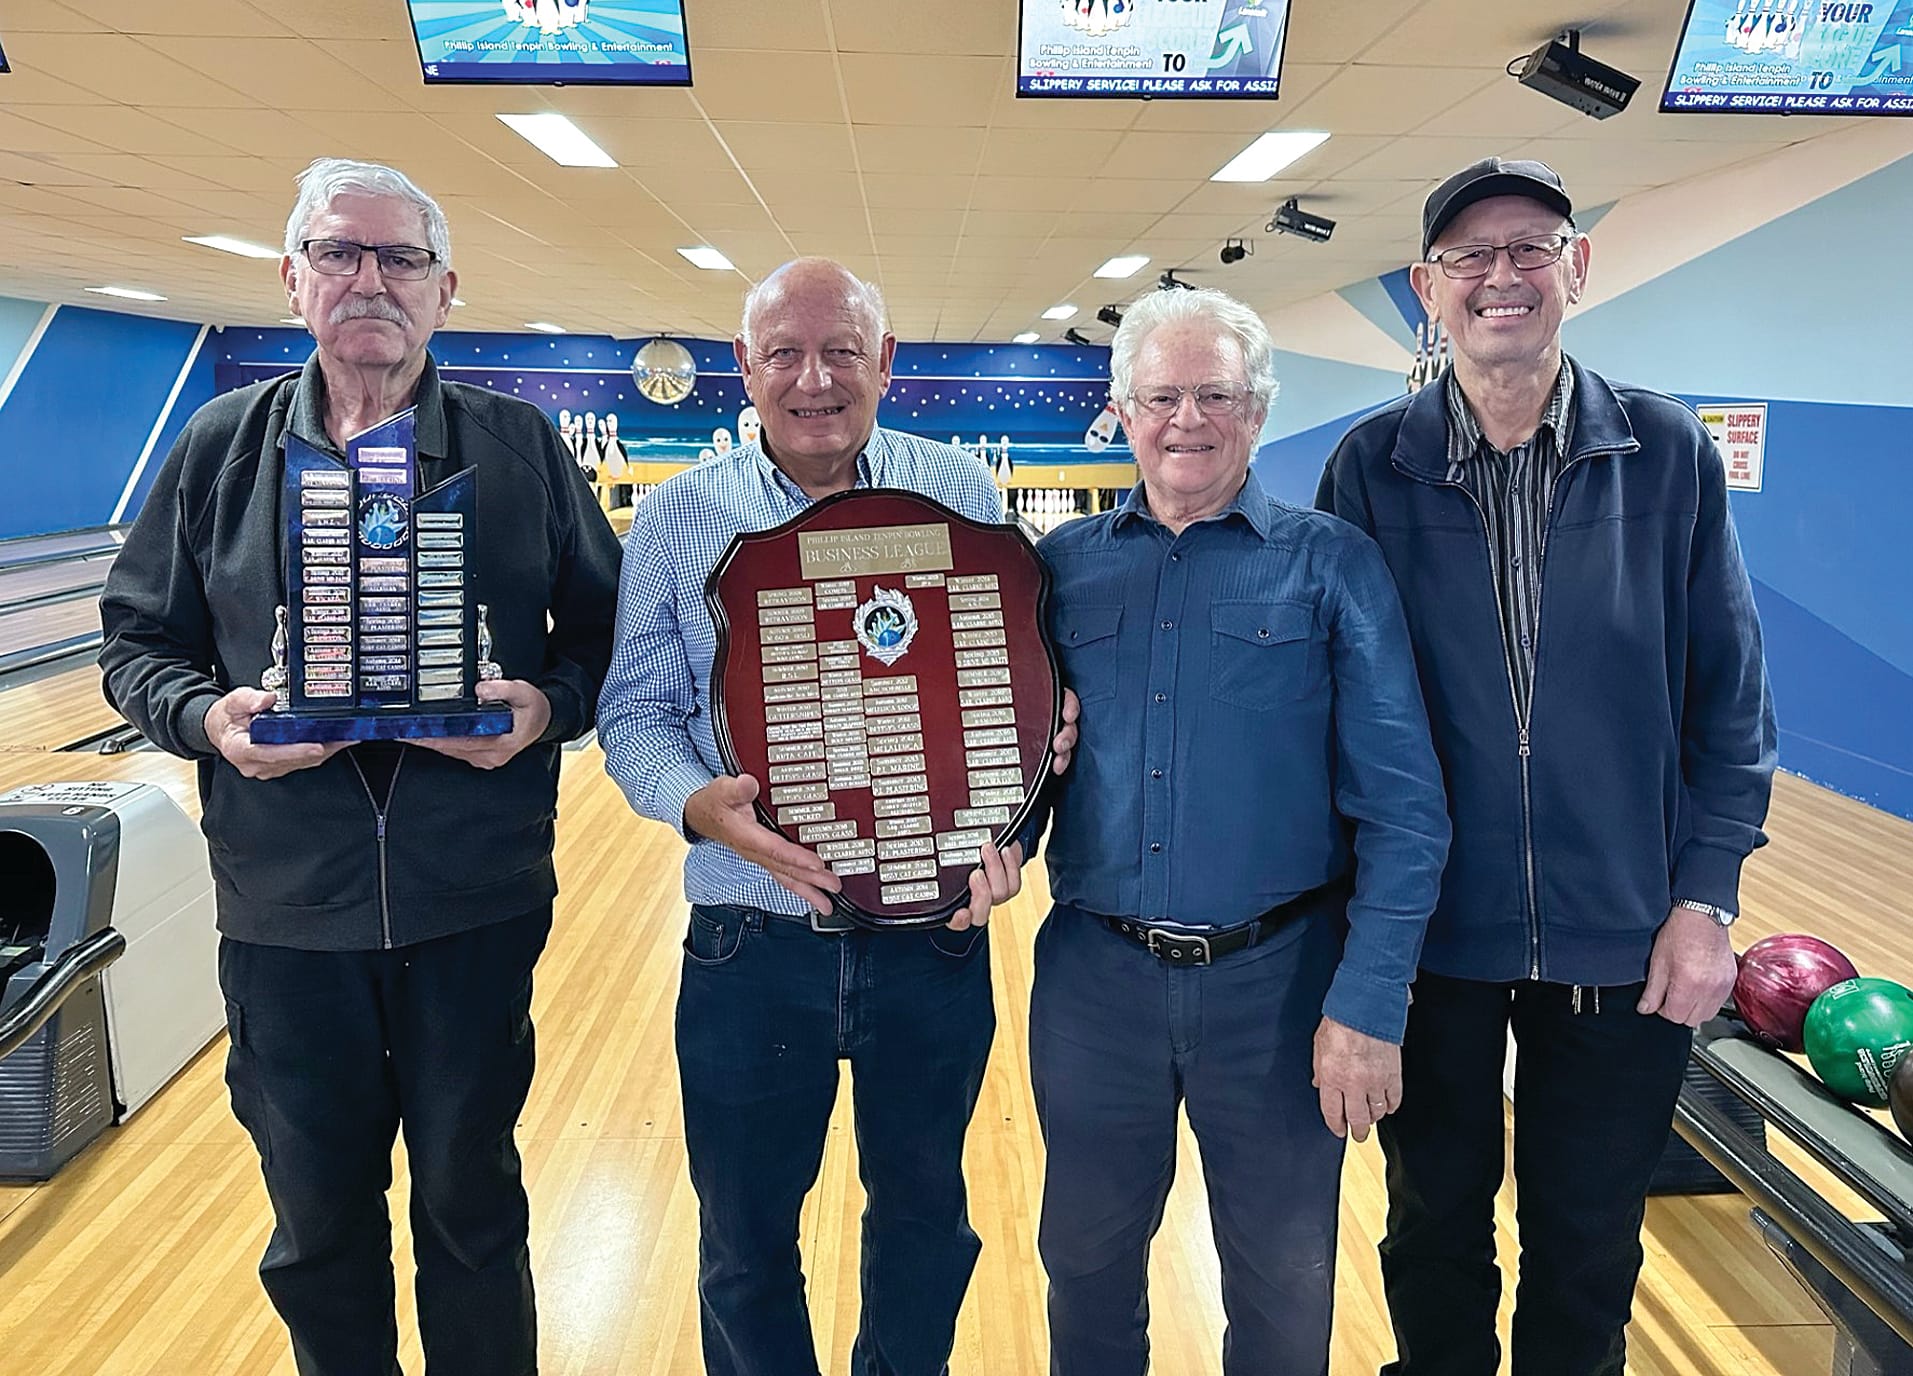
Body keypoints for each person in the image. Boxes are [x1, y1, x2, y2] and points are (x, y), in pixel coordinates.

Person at [98, 157, 622, 1376]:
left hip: (472, 902)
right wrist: (207, 718)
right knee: (317, 1223)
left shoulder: (518, 446)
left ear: (445, 288)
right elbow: (135, 644)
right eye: (338, 252)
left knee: (471, 1204)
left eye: (400, 257)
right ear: (294, 279)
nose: (369, 279)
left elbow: (608, 638)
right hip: (286, 913)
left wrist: (543, 707)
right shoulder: (221, 448)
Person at [1316, 157, 1776, 1376]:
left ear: (1575, 266)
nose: (1500, 276)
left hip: (1622, 932)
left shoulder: (1664, 451)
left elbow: (1729, 700)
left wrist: (1704, 898)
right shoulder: (1370, 466)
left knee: (1586, 1241)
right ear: (1427, 287)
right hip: (1432, 932)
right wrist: (1357, 942)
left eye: (1529, 247)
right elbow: (1333, 714)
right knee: (1431, 1224)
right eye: (1468, 256)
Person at [597, 256, 1079, 1376]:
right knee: (743, 1242)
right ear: (744, 365)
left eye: (841, 352)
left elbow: (1017, 694)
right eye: (784, 354)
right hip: (749, 938)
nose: (813, 379)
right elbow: (634, 713)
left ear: (885, 361)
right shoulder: (677, 516)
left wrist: (1020, 811)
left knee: (925, 1220)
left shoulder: (959, 490)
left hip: (930, 937)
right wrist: (696, 804)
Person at [1027, 285, 1451, 1375]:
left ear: (1256, 409)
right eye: (1160, 396)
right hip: (1094, 982)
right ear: (1123, 410)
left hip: (1280, 984)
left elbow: (1404, 807)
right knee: (1082, 1265)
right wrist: (968, 853)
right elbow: (1015, 765)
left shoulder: (1330, 563)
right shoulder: (1058, 568)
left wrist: (1369, 1002)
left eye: (1214, 394)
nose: (1187, 419)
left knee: (1281, 1283)